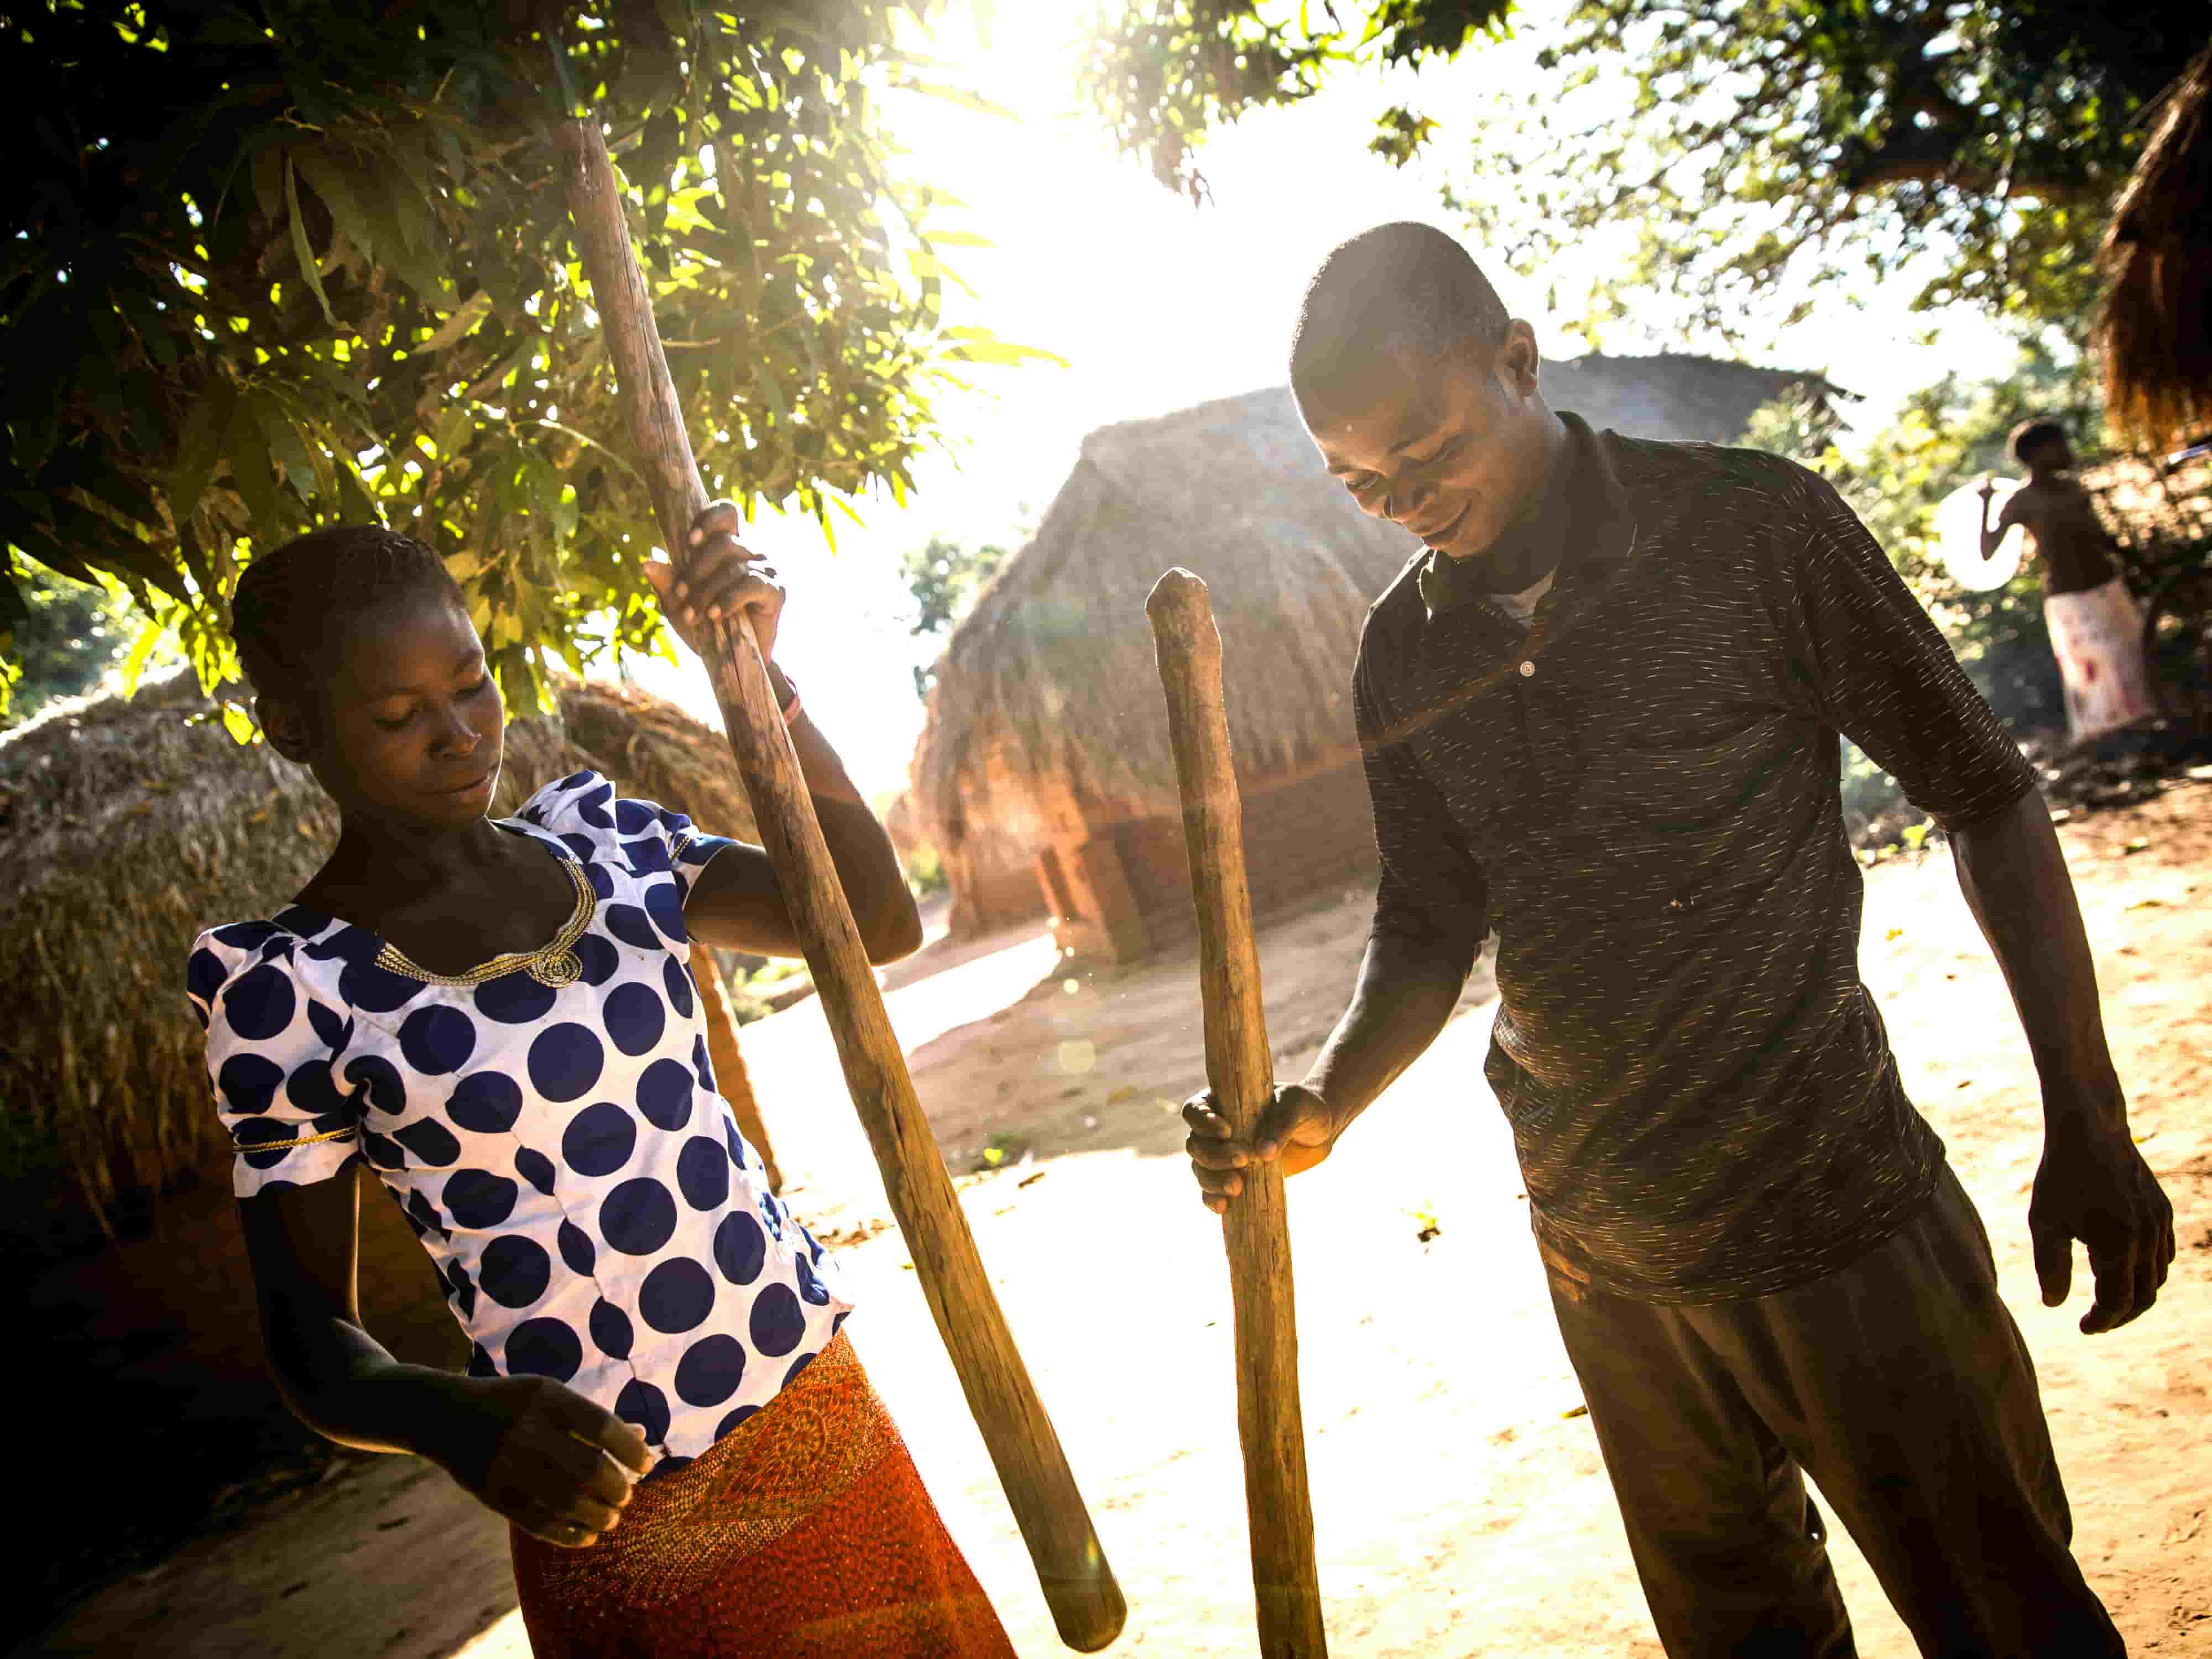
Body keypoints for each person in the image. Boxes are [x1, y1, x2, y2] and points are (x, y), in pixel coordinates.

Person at [1183, 222, 2175, 1658]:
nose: (1402, 502)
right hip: (1608, 1259)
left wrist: (2088, 1118)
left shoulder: (1751, 528)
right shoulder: (1402, 649)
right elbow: (1430, 915)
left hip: (1838, 1219)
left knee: (2009, 1624)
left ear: (1516, 362)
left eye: (1428, 450)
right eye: (1360, 485)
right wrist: (1325, 1104)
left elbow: (1985, 796)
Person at [186, 508, 1015, 1658]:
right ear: (291, 732)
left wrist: (755, 678)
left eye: (470, 687)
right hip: (619, 1509)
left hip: (818, 1413)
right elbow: (309, 1334)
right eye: (395, 717)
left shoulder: (608, 847)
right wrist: (443, 1416)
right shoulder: (287, 988)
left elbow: (869, 922)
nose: (460, 737)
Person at [1978, 419, 2158, 745]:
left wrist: (2139, 566)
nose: (2066, 451)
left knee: (2131, 663)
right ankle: (2118, 749)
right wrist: (1986, 503)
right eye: (2057, 446)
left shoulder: (2074, 489)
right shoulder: (2022, 501)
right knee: (2094, 677)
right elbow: (1988, 551)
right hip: (2069, 600)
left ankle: (2148, 741)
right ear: (2035, 455)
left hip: (2107, 586)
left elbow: (2100, 537)